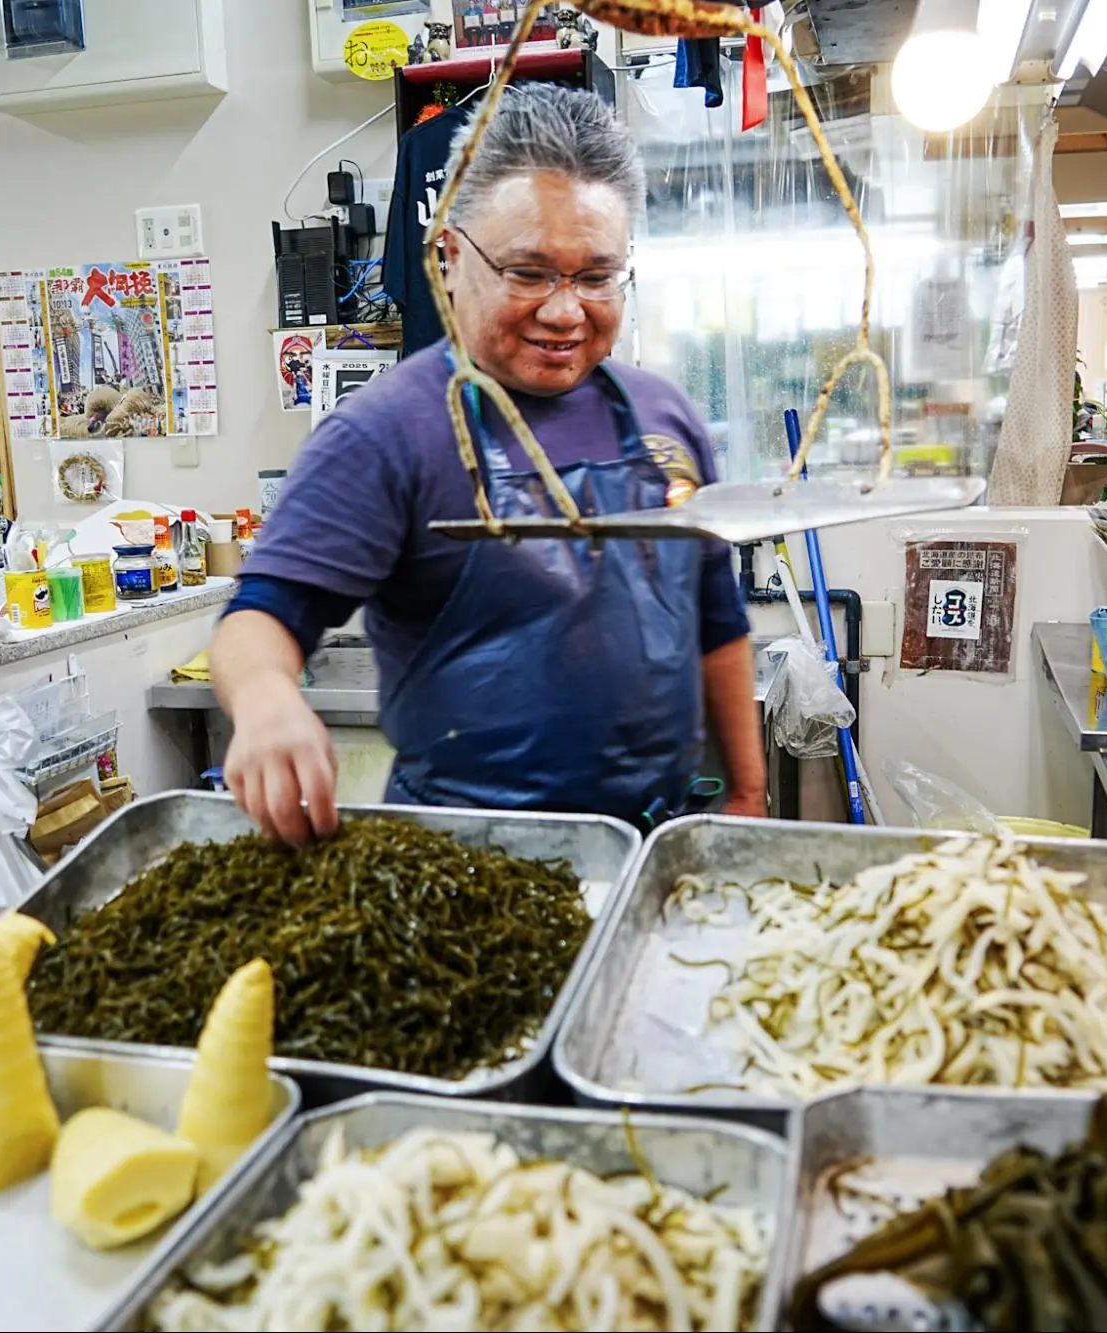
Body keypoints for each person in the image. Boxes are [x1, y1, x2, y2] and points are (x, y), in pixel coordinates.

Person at [213, 84, 765, 844]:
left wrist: (745, 791)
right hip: (466, 857)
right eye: (529, 272)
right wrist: (268, 702)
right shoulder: (384, 433)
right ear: (447, 257)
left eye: (597, 276)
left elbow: (716, 623)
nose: (565, 310)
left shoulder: (664, 415)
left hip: (657, 840)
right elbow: (260, 616)